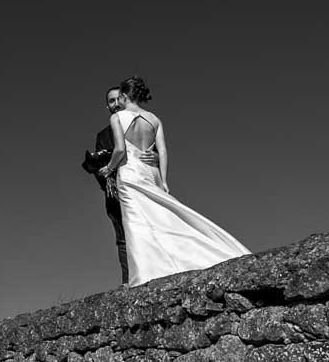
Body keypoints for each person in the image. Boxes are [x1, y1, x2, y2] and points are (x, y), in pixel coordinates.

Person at [97, 76, 250, 286]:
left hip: (130, 172)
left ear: (124, 96)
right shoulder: (154, 119)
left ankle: (144, 275)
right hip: (151, 172)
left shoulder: (117, 118)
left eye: (119, 98)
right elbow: (164, 151)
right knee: (162, 217)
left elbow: (121, 150)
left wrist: (109, 168)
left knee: (137, 223)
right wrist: (164, 180)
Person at [82, 86, 129, 284]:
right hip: (114, 191)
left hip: (138, 185)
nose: (116, 104)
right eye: (111, 101)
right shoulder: (102, 136)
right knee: (122, 237)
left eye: (119, 99)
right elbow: (100, 165)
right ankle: (128, 280)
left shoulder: (138, 123)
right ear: (107, 106)